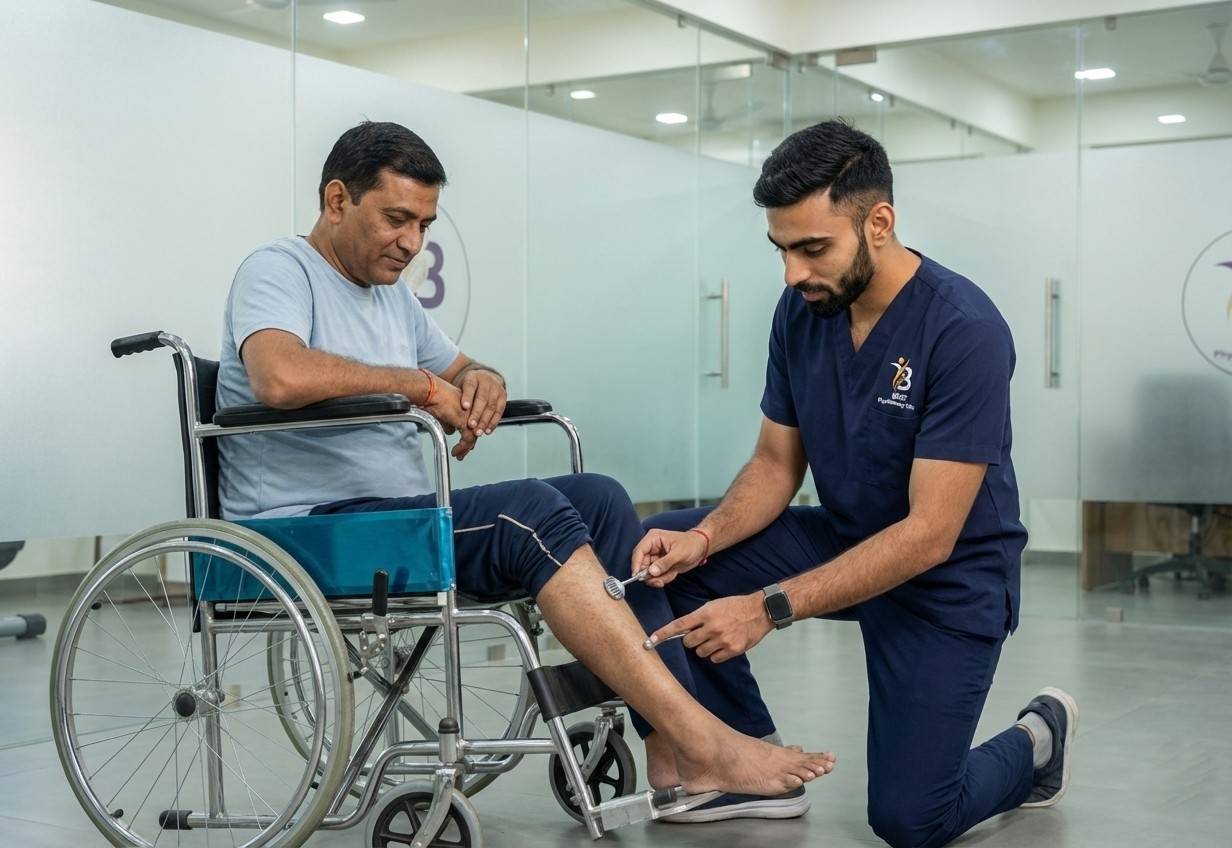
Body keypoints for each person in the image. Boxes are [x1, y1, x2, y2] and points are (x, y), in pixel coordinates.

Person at [214, 120, 836, 801]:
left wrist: (485, 379)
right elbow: (279, 377)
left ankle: (669, 751)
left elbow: (460, 365)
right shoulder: (278, 269)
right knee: (529, 515)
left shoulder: (390, 294)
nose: (412, 243)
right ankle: (705, 742)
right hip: (307, 532)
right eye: (396, 219)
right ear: (337, 200)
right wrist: (418, 385)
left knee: (599, 495)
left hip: (394, 523)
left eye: (424, 225)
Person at [618, 120, 1077, 842]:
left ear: (879, 223)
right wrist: (702, 538)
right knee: (662, 564)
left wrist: (765, 608)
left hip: (948, 579)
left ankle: (1038, 741)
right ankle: (745, 755)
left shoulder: (964, 330)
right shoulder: (802, 313)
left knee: (910, 819)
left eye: (812, 248)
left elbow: (929, 535)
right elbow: (775, 465)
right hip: (842, 536)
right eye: (782, 250)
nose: (793, 273)